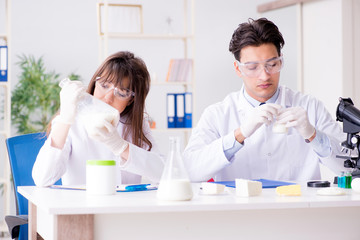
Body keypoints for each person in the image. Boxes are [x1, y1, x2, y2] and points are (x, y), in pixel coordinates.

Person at [183, 18, 346, 182]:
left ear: (280, 60)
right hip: (240, 207)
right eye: (253, 67)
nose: (265, 75)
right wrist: (239, 135)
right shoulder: (217, 114)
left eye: (272, 64)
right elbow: (190, 171)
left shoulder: (310, 107)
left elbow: (348, 167)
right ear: (238, 69)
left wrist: (312, 135)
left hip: (297, 207)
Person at [32, 51, 164, 186]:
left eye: (122, 93)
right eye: (104, 86)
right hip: (81, 205)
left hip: (124, 205)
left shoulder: (136, 124)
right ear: (95, 84)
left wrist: (121, 147)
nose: (108, 98)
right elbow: (42, 178)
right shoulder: (73, 119)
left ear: (131, 100)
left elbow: (164, 175)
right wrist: (65, 119)